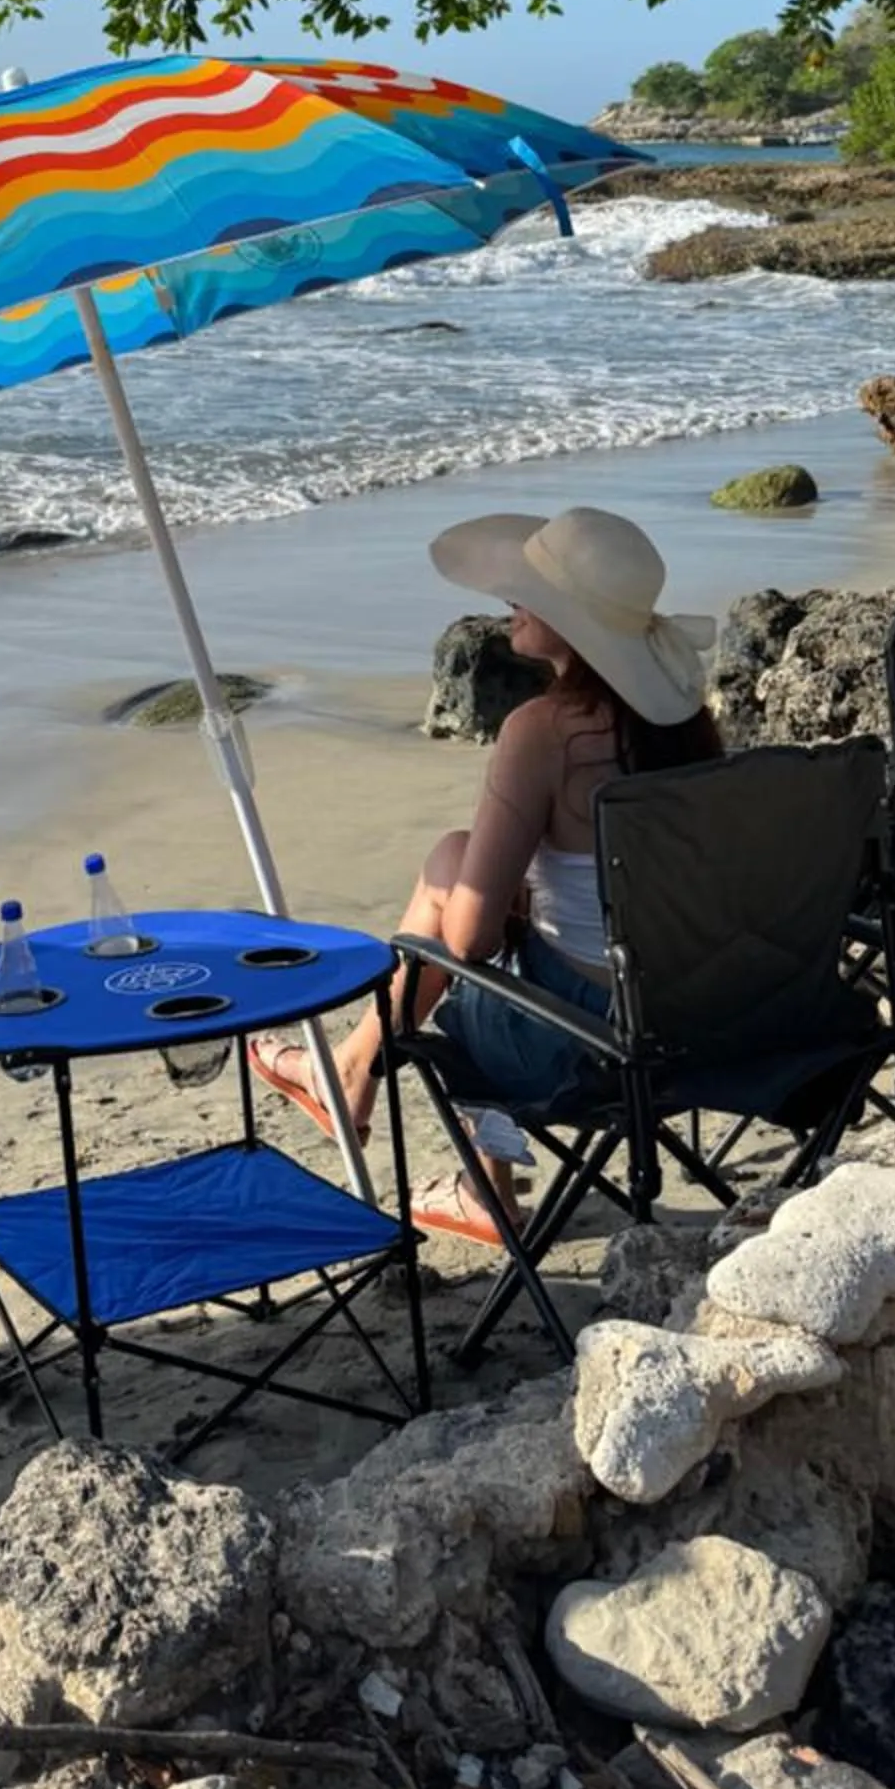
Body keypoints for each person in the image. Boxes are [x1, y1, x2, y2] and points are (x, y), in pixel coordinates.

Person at [249, 504, 720, 1240]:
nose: (510, 600)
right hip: (702, 1018)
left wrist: (503, 899)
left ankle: (397, 1114)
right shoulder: (684, 723)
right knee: (458, 863)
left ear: (573, 623)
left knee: (453, 887)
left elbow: (467, 941)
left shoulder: (545, 731)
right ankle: (359, 1082)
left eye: (534, 591)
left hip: (586, 1044)